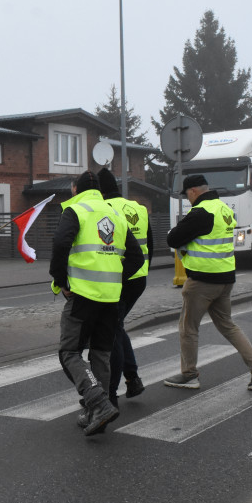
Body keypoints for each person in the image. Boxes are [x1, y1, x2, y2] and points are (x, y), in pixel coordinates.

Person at [50, 171, 143, 437]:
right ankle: (98, 413)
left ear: (75, 188)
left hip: (82, 295)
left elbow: (60, 244)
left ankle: (98, 402)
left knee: (69, 353)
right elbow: (136, 259)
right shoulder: (116, 214)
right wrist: (115, 278)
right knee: (101, 354)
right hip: (111, 297)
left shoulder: (75, 209)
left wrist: (62, 281)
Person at [164, 174, 252, 391]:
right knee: (228, 325)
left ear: (194, 191)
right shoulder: (223, 209)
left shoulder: (201, 212)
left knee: (188, 328)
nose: (188, 199)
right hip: (225, 278)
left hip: (202, 281)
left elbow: (173, 238)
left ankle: (189, 375)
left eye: (187, 195)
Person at [97, 168, 152, 405]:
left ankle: (110, 391)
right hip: (139, 277)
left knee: (112, 332)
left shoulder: (105, 210)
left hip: (119, 278)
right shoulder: (138, 207)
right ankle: (132, 378)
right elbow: (150, 242)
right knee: (117, 326)